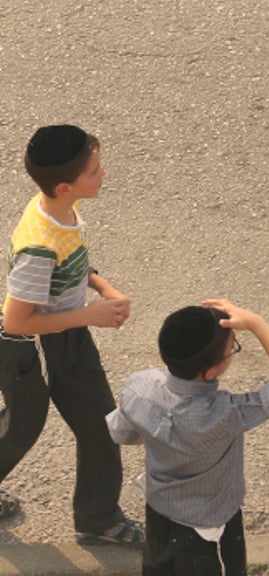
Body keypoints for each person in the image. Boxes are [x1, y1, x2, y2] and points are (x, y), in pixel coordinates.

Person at [0, 124, 143, 544]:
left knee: (101, 426)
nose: (103, 175)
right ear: (65, 187)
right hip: (32, 350)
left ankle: (98, 519)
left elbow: (74, 264)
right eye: (95, 171)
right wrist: (91, 315)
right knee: (22, 428)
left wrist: (103, 288)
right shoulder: (37, 248)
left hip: (69, 334)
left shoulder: (59, 211)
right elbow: (15, 322)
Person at [108, 299, 269, 576]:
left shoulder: (139, 386)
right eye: (232, 350)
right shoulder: (223, 414)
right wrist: (256, 323)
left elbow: (122, 432)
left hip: (159, 514)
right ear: (210, 372)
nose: (232, 353)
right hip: (208, 531)